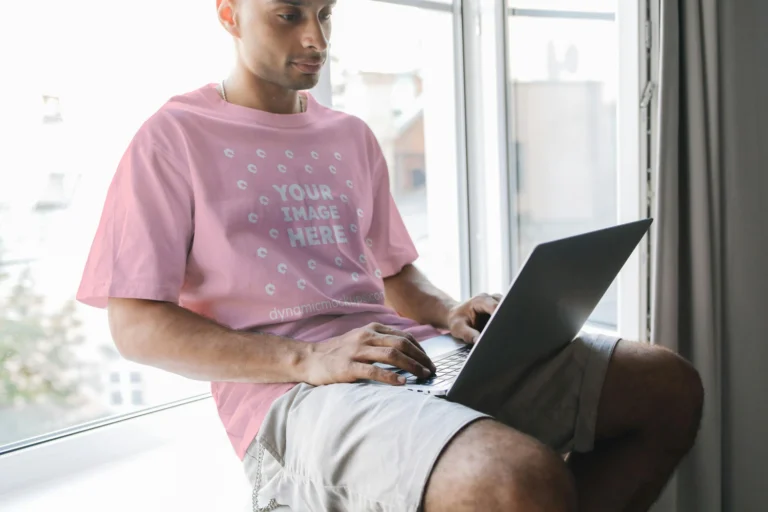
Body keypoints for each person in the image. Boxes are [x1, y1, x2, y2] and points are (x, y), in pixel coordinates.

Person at [76, 0, 704, 510]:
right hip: (292, 394)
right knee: (520, 480)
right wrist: (310, 357)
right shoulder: (173, 137)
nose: (315, 37)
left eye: (326, 13)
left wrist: (447, 311)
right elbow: (136, 325)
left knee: (666, 387)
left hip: (406, 354)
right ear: (229, 13)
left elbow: (393, 270)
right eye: (289, 14)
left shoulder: (348, 134)